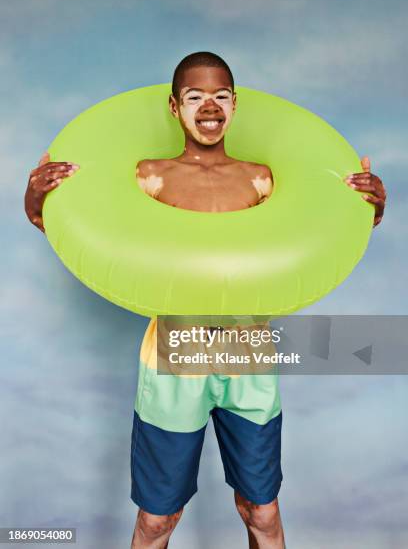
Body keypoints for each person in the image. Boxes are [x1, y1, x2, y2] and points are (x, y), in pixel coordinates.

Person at [24, 52, 387, 549]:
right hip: (175, 355)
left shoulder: (262, 179)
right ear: (175, 107)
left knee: (261, 510)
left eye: (220, 96)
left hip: (248, 353)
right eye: (195, 97)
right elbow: (83, 233)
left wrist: (365, 207)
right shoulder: (150, 176)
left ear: (235, 105)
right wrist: (37, 203)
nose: (209, 107)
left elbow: (320, 237)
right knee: (157, 519)